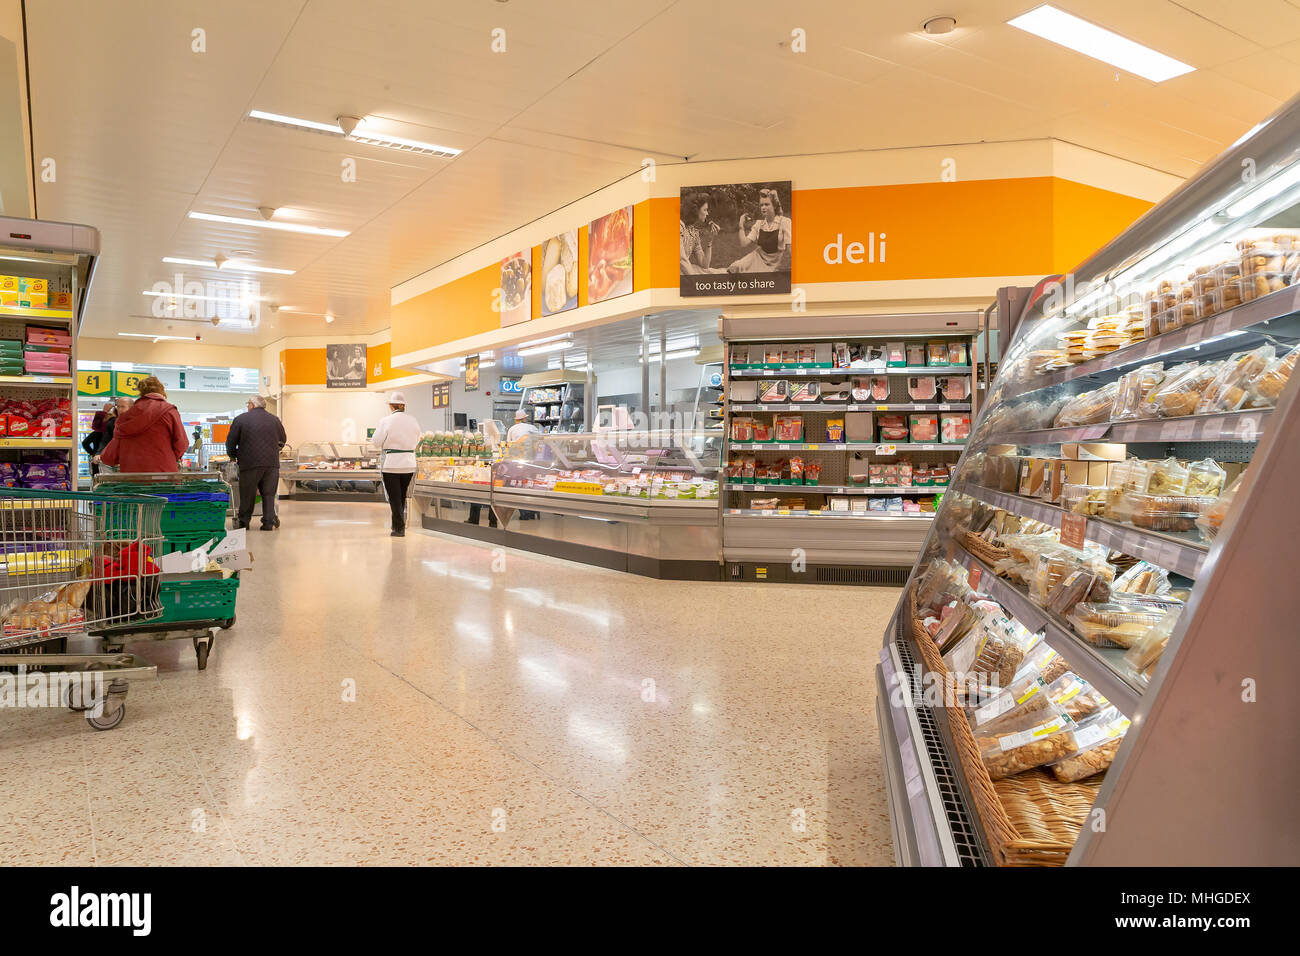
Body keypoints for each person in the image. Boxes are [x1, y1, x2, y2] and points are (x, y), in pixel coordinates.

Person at [99, 377, 188, 473]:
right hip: (165, 474)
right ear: (162, 392)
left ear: (141, 392)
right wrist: (167, 458)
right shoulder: (170, 412)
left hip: (132, 477)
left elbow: (109, 457)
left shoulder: (124, 417)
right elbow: (182, 443)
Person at [226, 395, 287, 531]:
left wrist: (233, 455)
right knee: (269, 494)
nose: (247, 406)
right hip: (271, 464)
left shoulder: (241, 419)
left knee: (248, 494)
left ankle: (244, 522)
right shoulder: (275, 420)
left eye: (248, 404)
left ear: (252, 405)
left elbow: (231, 441)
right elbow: (283, 439)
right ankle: (268, 523)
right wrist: (274, 451)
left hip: (249, 463)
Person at [372, 391, 421, 537]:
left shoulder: (386, 421)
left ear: (391, 406)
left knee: (394, 498)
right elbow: (418, 438)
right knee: (401, 496)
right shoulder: (413, 420)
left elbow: (376, 442)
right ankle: (397, 525)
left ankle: (399, 528)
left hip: (392, 464)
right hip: (409, 463)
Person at [727, 188, 792, 274]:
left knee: (749, 277)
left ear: (775, 206)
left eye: (766, 204)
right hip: (756, 257)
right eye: (761, 205)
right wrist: (741, 226)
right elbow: (744, 243)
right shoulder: (759, 224)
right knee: (734, 268)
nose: (763, 207)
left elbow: (790, 248)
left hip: (772, 264)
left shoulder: (784, 222)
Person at [81, 399, 116, 475]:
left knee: (98, 479)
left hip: (97, 459)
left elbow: (85, 443)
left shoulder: (96, 433)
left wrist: (93, 453)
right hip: (111, 460)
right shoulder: (115, 431)